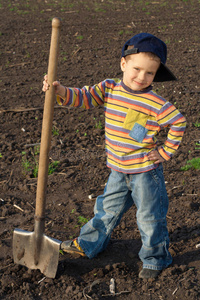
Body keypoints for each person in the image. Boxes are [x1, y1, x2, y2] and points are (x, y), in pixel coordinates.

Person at [42, 33, 186, 279]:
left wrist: (164, 152)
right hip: (118, 170)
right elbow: (85, 97)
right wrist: (61, 90)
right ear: (123, 64)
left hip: (145, 173)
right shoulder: (109, 88)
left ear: (156, 74)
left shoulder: (156, 103)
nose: (141, 77)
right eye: (137, 69)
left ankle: (155, 258)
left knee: (150, 218)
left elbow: (179, 122)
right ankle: (88, 244)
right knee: (106, 210)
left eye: (149, 73)